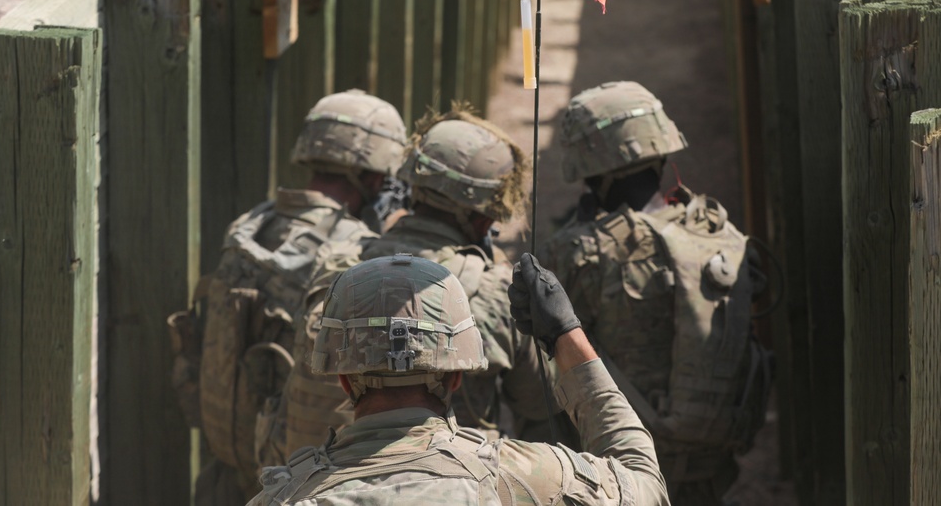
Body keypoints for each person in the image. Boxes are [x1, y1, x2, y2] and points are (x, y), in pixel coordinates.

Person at [247, 253, 670, 506]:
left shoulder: (284, 496)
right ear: (454, 378)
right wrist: (565, 335)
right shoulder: (527, 476)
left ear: (343, 380)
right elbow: (645, 485)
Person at [166, 89, 407, 505]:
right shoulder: (356, 253)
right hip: (294, 486)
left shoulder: (250, 227)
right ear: (373, 177)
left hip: (226, 468)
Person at [274, 107, 555, 458]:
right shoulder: (494, 291)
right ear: (485, 220)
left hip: (326, 480)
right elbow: (542, 407)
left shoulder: (335, 261)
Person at [540, 81, 771, 506]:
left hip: (621, 467)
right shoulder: (717, 232)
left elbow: (543, 363)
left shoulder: (578, 250)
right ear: (661, 155)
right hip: (712, 460)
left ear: (591, 172)